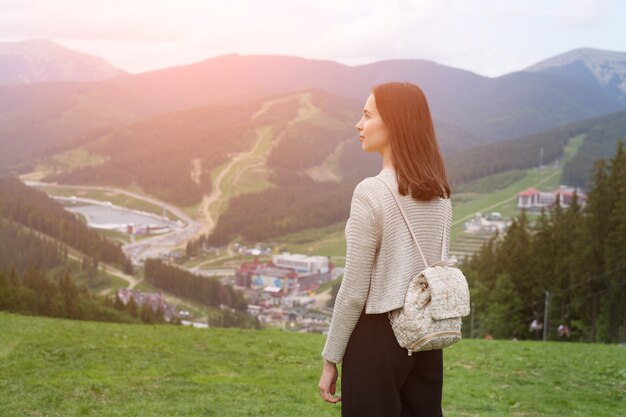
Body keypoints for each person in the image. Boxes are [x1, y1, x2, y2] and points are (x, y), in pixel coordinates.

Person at [318, 82, 452, 417]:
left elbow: (354, 289)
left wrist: (331, 355)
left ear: (394, 123)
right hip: (426, 336)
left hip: (376, 336)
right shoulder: (440, 192)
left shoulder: (371, 192)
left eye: (367, 115)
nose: (358, 124)